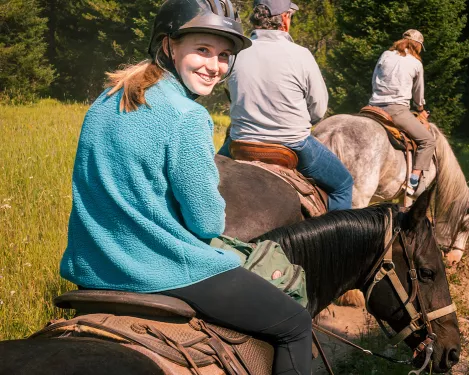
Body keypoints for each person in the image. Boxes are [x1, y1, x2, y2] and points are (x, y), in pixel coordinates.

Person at [59, 1, 312, 374]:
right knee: (295, 325)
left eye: (225, 55)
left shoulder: (107, 98)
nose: (214, 66)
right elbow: (207, 223)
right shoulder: (187, 116)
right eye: (203, 50)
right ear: (169, 47)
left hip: (93, 266)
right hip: (160, 269)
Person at [218, 0, 354, 211]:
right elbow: (318, 108)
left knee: (206, 176)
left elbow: (228, 91)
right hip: (293, 145)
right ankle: (336, 242)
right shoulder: (301, 54)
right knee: (343, 185)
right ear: (284, 19)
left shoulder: (236, 53)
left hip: (241, 143)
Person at [369, 29, 434, 196]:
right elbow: (418, 95)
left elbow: (374, 78)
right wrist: (420, 110)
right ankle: (413, 181)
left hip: (372, 107)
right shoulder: (416, 64)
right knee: (428, 141)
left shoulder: (385, 54)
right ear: (418, 46)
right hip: (396, 110)